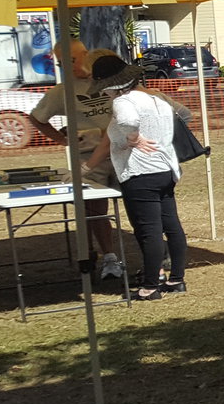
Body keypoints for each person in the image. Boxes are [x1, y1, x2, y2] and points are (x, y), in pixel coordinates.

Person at [84, 55, 190, 300]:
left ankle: (151, 286)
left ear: (111, 85)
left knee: (148, 229)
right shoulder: (156, 100)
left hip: (140, 172)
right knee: (171, 225)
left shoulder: (124, 102)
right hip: (165, 170)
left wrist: (133, 138)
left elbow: (128, 120)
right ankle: (176, 279)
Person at [27, 42, 123, 279]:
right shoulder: (62, 91)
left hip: (124, 153)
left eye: (71, 60)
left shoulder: (112, 79)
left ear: (86, 55)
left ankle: (155, 254)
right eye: (61, 63)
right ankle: (109, 258)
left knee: (136, 203)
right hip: (89, 159)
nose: (67, 67)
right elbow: (37, 118)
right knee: (94, 209)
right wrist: (62, 139)